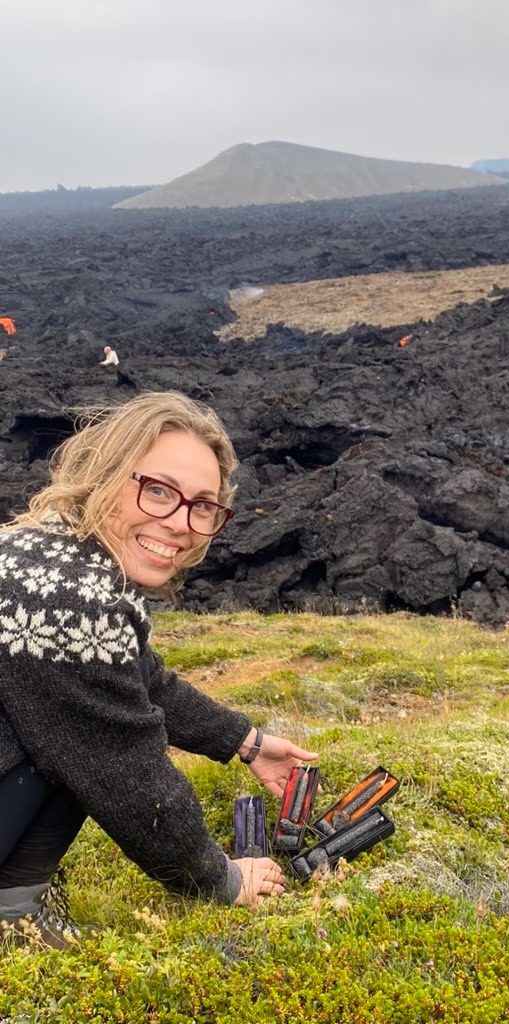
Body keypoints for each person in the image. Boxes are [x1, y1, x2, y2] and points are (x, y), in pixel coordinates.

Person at [0, 391, 317, 949]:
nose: (179, 522)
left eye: (202, 506)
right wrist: (222, 878)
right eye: (158, 491)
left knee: (79, 725)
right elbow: (133, 779)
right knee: (88, 744)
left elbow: (138, 678)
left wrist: (246, 741)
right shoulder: (72, 596)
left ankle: (13, 909)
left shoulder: (49, 545)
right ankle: (12, 919)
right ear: (107, 472)